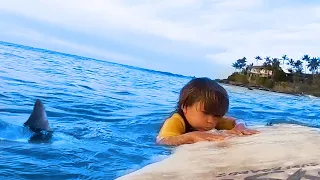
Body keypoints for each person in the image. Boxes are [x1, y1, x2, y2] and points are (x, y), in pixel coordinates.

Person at [156, 77, 259, 146]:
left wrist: (241, 127)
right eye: (205, 113)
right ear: (185, 107)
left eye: (217, 115)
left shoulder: (215, 120)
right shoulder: (176, 121)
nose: (211, 121)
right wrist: (190, 137)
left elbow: (237, 121)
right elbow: (162, 141)